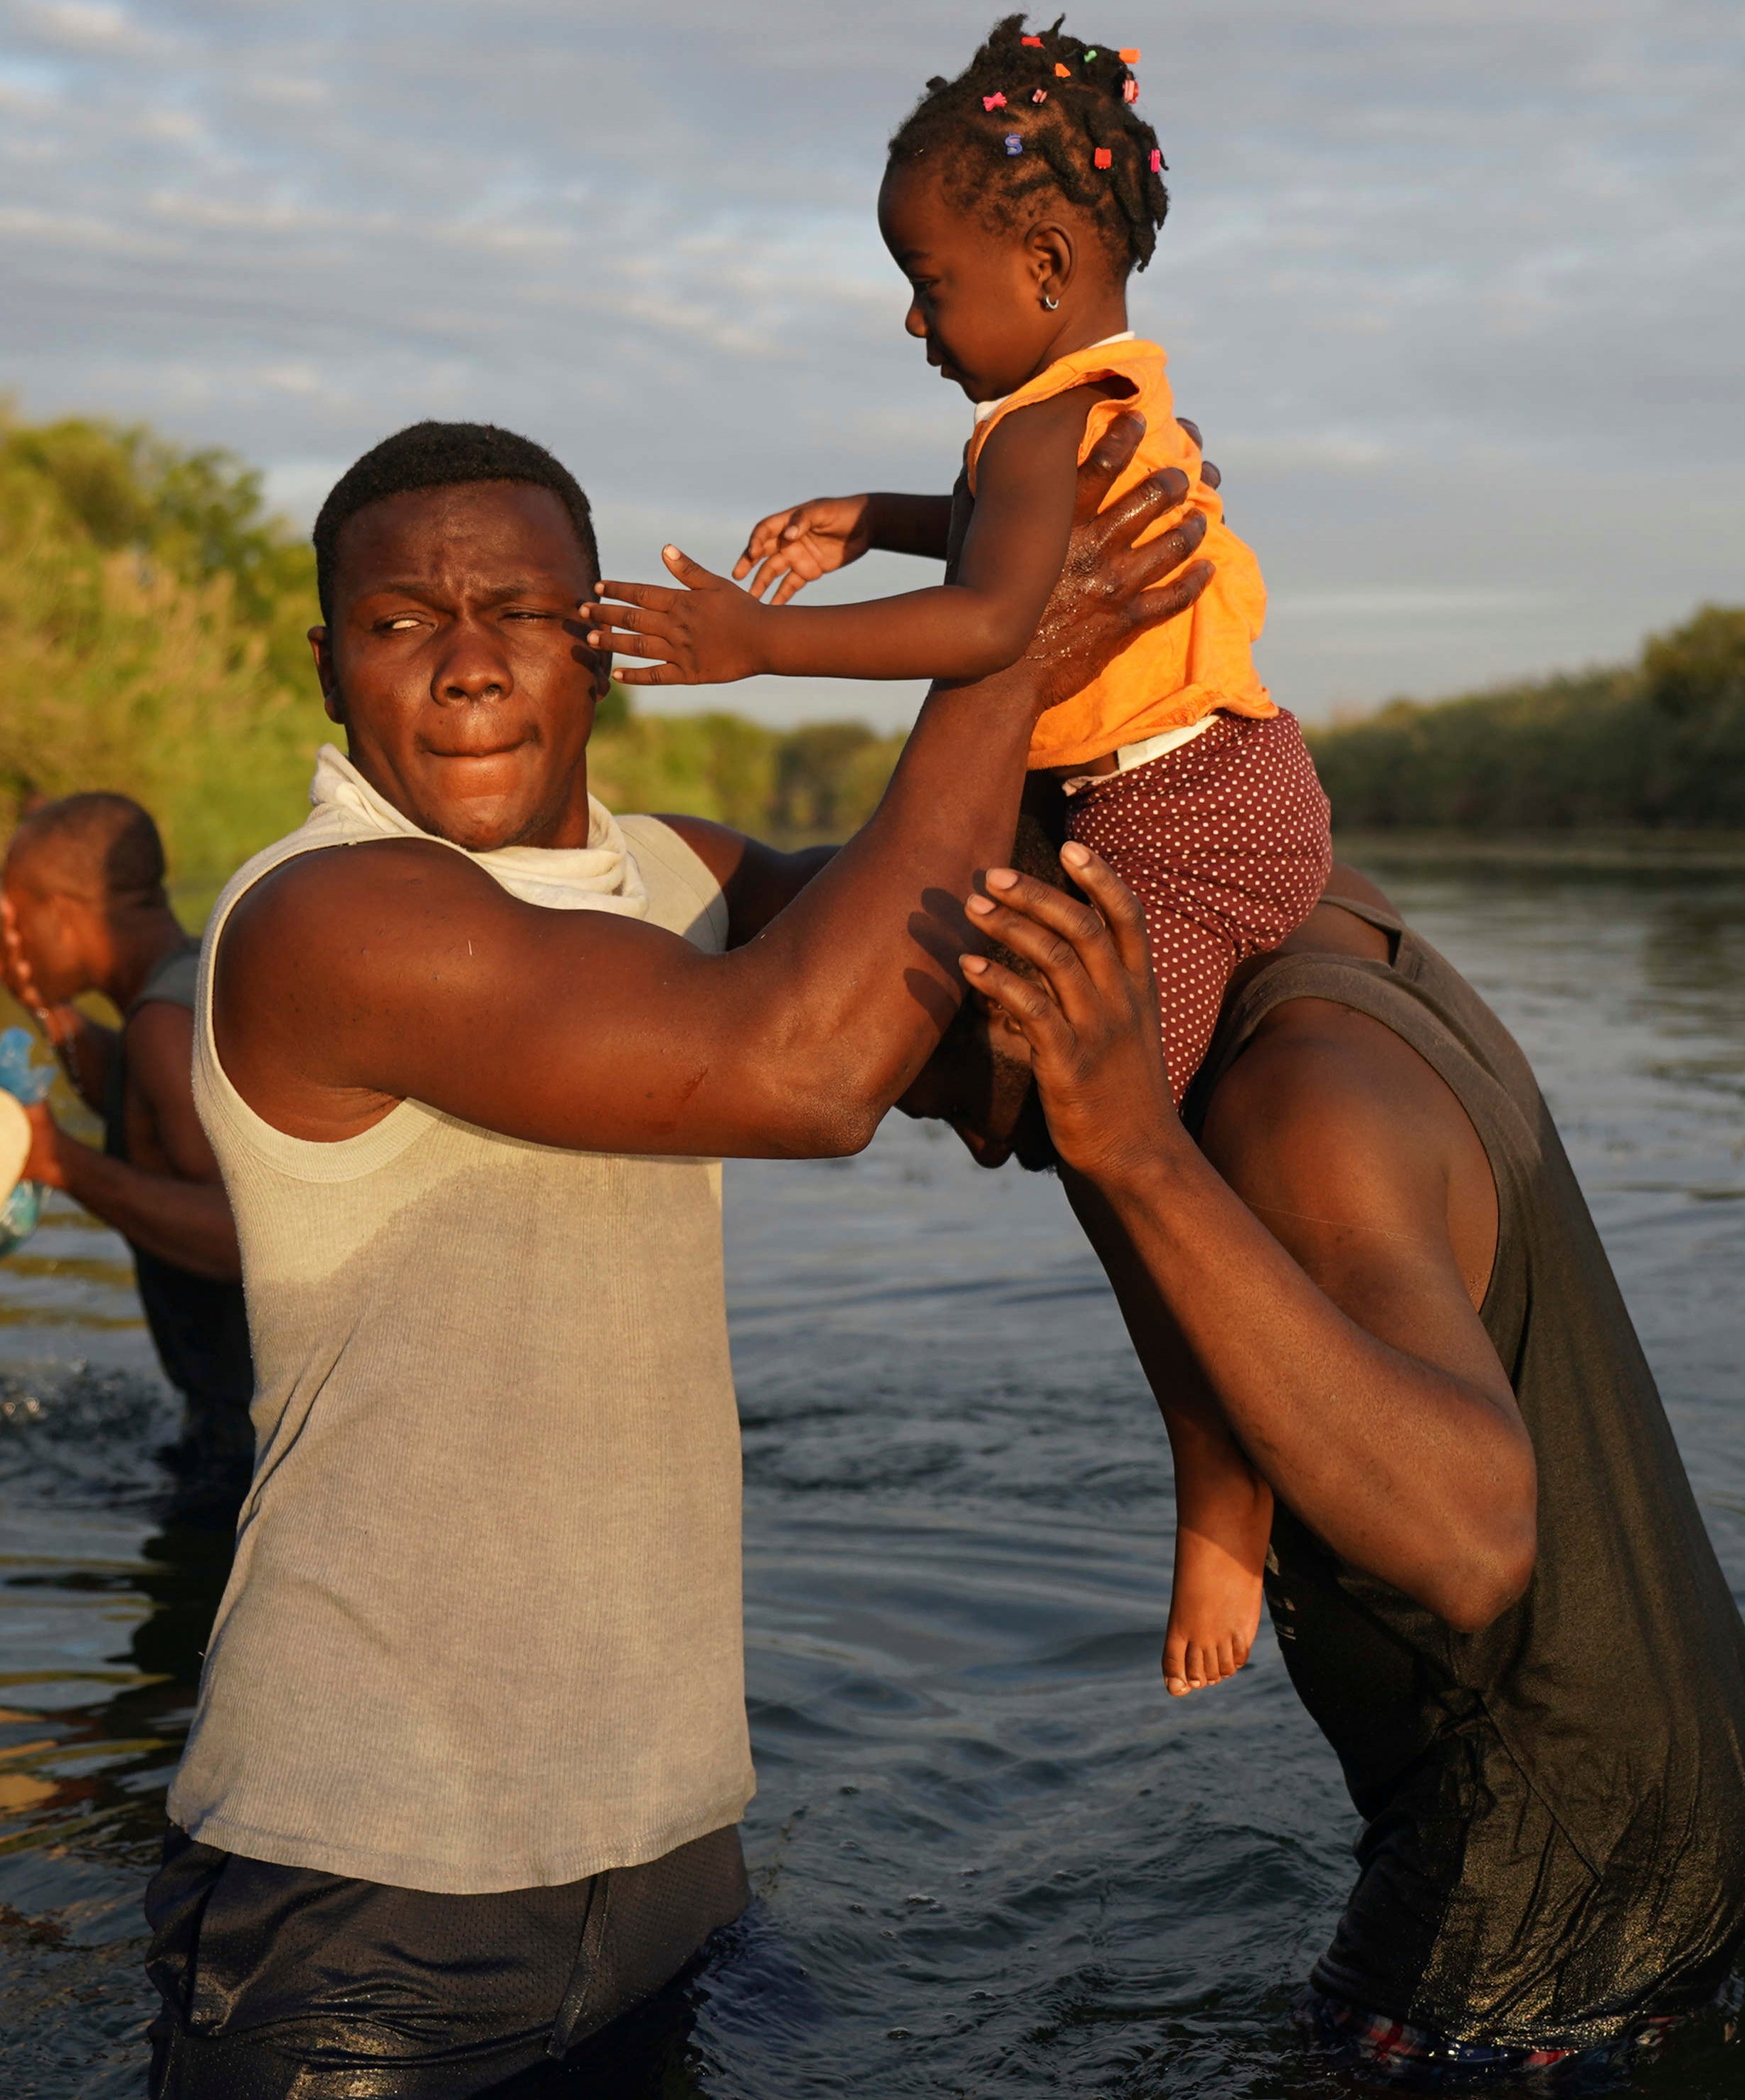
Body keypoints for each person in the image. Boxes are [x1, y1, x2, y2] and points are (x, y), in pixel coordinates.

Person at [146, 415, 1214, 2099]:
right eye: (398, 621)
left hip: (666, 1860)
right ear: (326, 666)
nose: (467, 666)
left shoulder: (680, 874)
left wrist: (1165, 755)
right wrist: (1003, 655)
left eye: (516, 609)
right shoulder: (322, 915)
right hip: (364, 1904)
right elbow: (801, 1069)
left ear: (603, 635)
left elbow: (950, 1029)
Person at [593, 11, 1327, 1702]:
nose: (911, 318)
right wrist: (872, 509)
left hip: (1179, 815)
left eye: (927, 281)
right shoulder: (1094, 403)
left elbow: (1002, 609)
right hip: (1209, 788)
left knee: (1105, 1129)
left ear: (1048, 258)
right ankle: (1217, 1448)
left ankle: (1222, 1473)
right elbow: (1006, 531)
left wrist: (753, 644)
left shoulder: (1034, 432)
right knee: (1051, 1090)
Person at [935, 846, 1745, 2088]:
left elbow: (1473, 1540)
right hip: (1664, 1779)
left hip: (1537, 1860)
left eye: (940, 1084)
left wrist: (1130, 1144)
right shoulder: (1329, 925)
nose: (962, 1136)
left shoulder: (1299, 1105)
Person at [0, 792, 250, 1474]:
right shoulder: (187, 982)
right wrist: (48, 1007)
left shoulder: (164, 1027)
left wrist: (58, 1162)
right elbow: (149, 1118)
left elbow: (242, 1238)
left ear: (61, 915)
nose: (7, 935)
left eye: (14, 915)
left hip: (251, 1442)